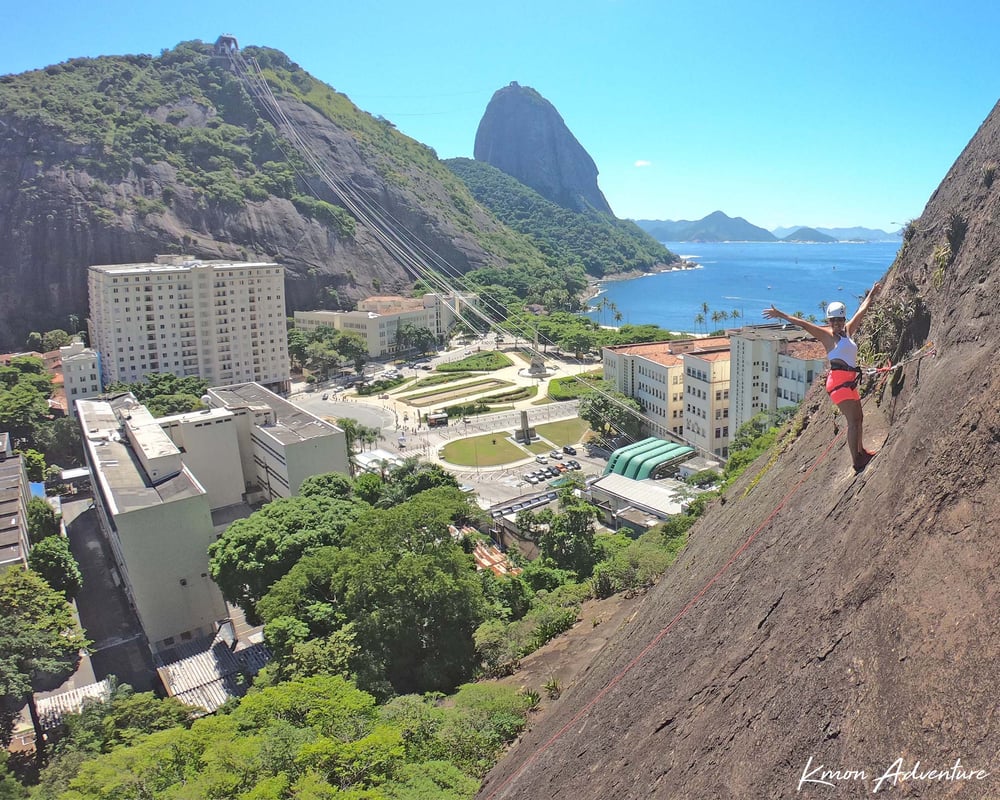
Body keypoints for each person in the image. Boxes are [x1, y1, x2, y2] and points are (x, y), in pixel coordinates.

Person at [763, 282, 882, 472]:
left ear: (843, 319)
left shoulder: (848, 331)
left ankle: (861, 452)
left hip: (849, 382)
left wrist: (872, 294)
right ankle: (856, 460)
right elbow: (803, 323)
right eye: (832, 320)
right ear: (828, 321)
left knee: (859, 418)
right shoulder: (826, 336)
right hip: (838, 383)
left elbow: (862, 311)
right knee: (852, 421)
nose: (836, 323)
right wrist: (781, 315)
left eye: (839, 320)